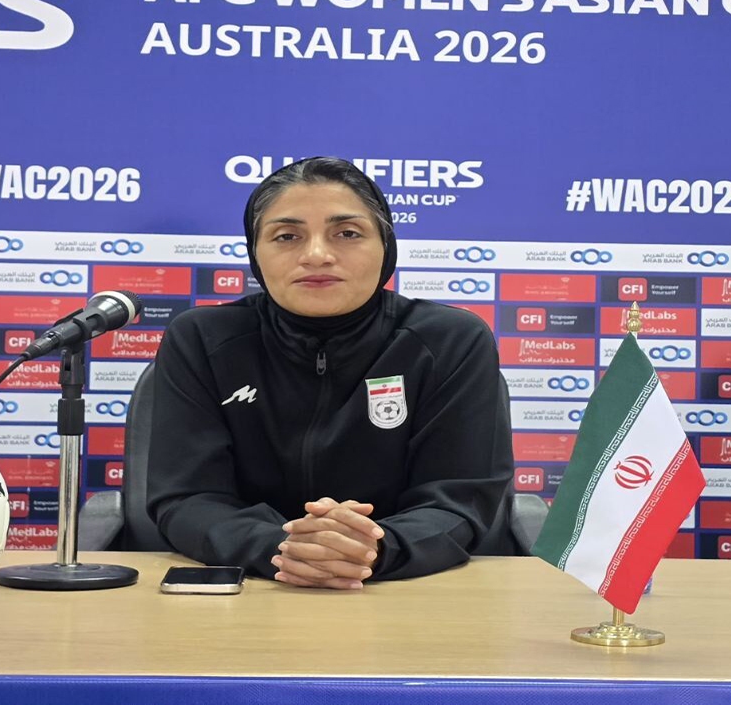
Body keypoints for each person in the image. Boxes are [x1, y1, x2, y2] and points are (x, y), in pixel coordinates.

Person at [146, 157, 514, 589]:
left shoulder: (451, 340)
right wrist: (282, 548)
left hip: (406, 588)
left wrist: (375, 548)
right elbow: (187, 498)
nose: (317, 255)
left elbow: (459, 500)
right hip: (250, 587)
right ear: (255, 253)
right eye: (287, 236)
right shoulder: (202, 339)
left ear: (386, 246)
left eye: (347, 233)